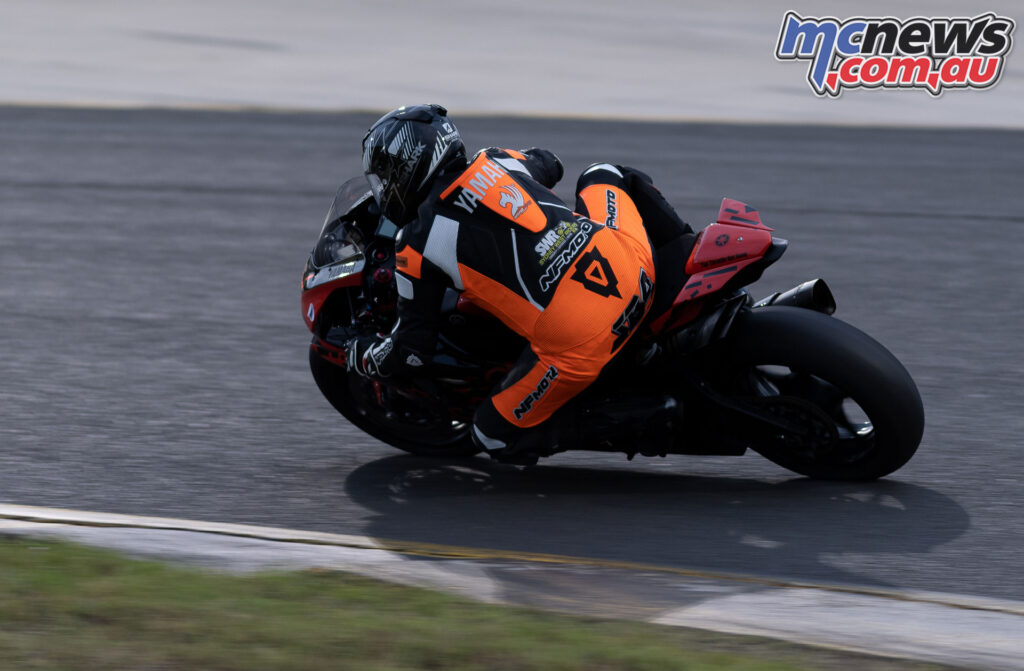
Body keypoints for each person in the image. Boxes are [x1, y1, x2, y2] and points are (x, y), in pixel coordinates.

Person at [347, 104, 692, 462]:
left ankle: (645, 416)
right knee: (603, 172)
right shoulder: (496, 160)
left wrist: (363, 356)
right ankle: (688, 251)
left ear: (408, 166)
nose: (384, 189)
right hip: (631, 265)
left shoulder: (416, 242)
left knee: (491, 435)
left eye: (385, 177)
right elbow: (550, 162)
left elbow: (412, 353)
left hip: (585, 337)